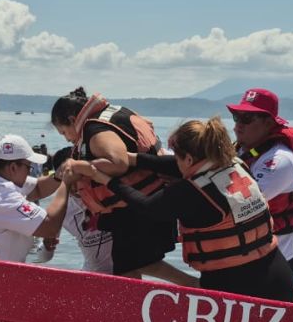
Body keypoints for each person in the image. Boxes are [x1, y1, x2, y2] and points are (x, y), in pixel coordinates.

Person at [69, 117, 293, 302]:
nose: (175, 162)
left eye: (177, 156)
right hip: (277, 276)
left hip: (234, 290)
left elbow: (147, 206)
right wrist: (131, 159)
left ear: (188, 157)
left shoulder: (192, 193)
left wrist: (103, 178)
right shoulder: (233, 164)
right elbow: (173, 167)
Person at [51, 87, 196, 286]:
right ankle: (152, 299)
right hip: (146, 199)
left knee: (130, 265)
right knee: (134, 263)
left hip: (136, 208)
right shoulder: (112, 114)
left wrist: (81, 168)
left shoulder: (95, 130)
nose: (67, 138)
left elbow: (118, 162)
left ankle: (191, 286)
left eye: (64, 132)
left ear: (71, 118)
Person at [228, 89, 293, 274]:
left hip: (276, 259)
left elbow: (240, 204)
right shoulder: (241, 150)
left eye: (247, 119)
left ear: (268, 122)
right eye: (236, 117)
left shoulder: (280, 161)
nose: (238, 126)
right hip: (244, 252)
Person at [0, 134, 69, 263]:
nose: (29, 172)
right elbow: (50, 227)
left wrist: (59, 176)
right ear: (13, 168)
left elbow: (38, 188)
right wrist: (68, 182)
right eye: (28, 167)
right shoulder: (0, 197)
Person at [50, 147, 113, 273]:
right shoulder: (63, 208)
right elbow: (46, 252)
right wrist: (47, 246)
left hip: (127, 273)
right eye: (69, 177)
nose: (75, 184)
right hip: (91, 274)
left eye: (78, 176)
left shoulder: (109, 192)